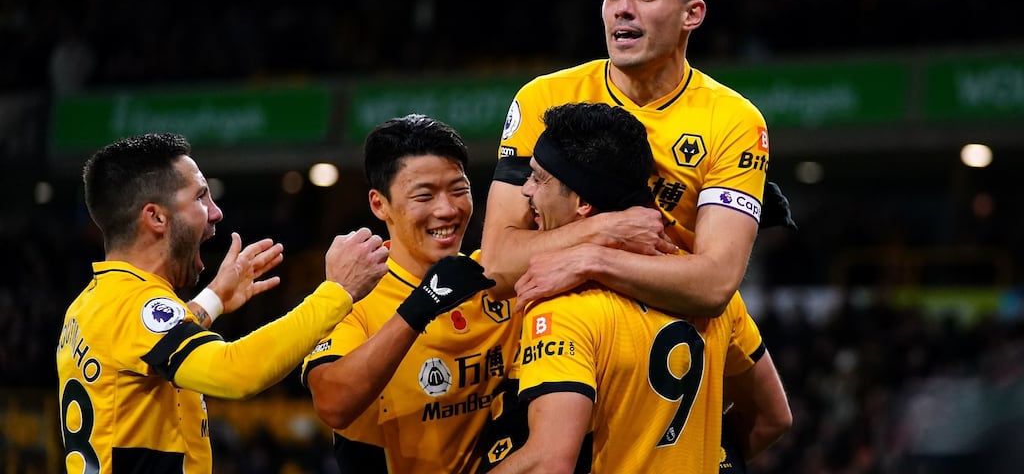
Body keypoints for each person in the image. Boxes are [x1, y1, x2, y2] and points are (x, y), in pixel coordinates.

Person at [478, 0, 796, 471]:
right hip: (569, 338)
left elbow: (716, 284)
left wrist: (592, 259)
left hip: (682, 327)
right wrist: (604, 233)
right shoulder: (544, 99)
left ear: (692, 13)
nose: (621, 9)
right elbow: (498, 264)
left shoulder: (733, 120)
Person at [56, 132, 389, 474]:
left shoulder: (94, 302)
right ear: (156, 218)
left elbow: (152, 348)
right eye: (200, 197)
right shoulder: (132, 304)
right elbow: (235, 372)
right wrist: (338, 291)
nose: (216, 212)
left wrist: (214, 299)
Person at [489, 102, 790, 473]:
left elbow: (549, 463)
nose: (525, 191)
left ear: (583, 203)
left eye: (539, 178)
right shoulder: (707, 290)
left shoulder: (563, 303)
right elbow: (773, 419)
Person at [302, 114, 521, 473]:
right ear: (379, 204)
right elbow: (332, 403)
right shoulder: (353, 294)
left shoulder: (496, 277)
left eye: (459, 189)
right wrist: (421, 306)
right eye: (425, 195)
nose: (447, 209)